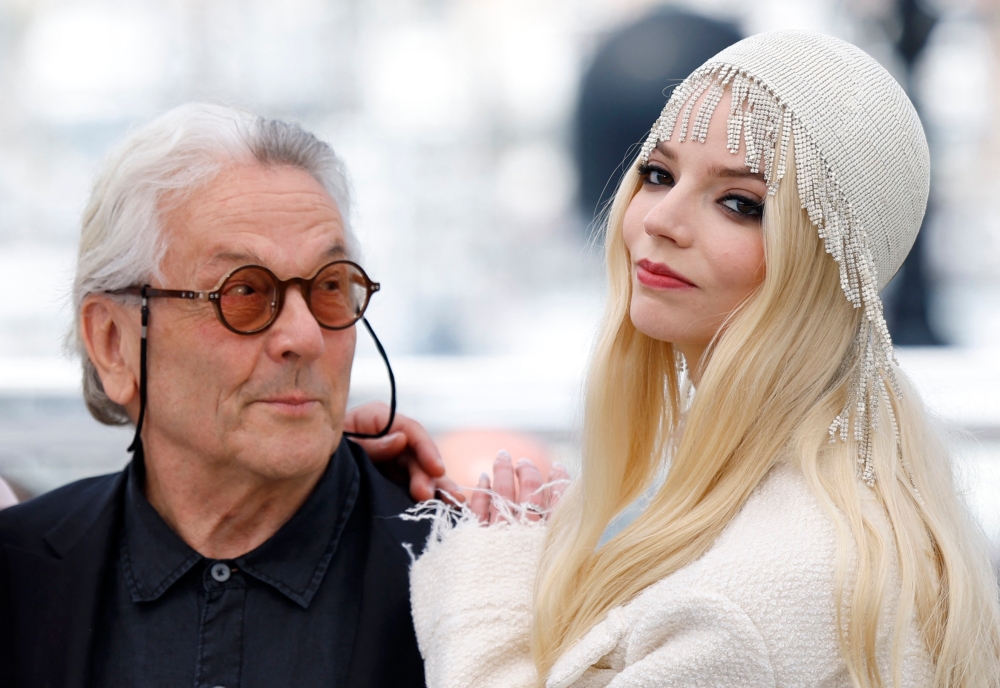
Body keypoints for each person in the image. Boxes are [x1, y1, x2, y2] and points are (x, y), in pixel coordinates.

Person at [409, 30, 1000, 687]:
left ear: (825, 264)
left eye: (740, 204)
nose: (661, 218)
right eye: (658, 174)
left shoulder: (746, 599)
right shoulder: (872, 490)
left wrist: (490, 580)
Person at [0, 103, 451, 688]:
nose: (305, 338)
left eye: (331, 287)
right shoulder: (18, 575)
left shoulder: (466, 577)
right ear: (113, 342)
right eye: (244, 291)